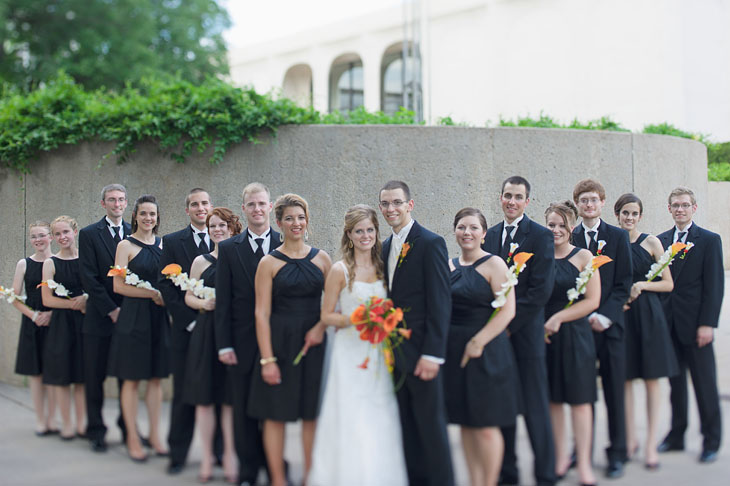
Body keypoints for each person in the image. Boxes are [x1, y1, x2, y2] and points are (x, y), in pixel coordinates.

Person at [309, 204, 408, 486]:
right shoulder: (340, 270)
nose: (365, 236)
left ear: (377, 232)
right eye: (358, 231)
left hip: (377, 351)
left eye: (370, 230)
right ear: (349, 235)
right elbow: (327, 315)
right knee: (351, 414)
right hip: (349, 352)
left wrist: (385, 320)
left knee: (379, 413)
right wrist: (359, 317)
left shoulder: (384, 266)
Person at [249, 193, 331, 486]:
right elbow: (261, 314)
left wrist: (320, 328)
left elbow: (331, 306)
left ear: (307, 221)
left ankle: (310, 475)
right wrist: (268, 359)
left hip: (314, 344)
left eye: (301, 217)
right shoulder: (268, 263)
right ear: (279, 222)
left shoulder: (322, 259)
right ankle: (278, 479)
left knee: (311, 414)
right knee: (275, 414)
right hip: (279, 343)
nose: (296, 223)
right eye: (289, 218)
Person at [482, 176, 557, 486]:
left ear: (528, 202)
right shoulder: (490, 235)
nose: (511, 201)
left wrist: (509, 325)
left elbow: (541, 291)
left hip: (526, 337)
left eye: (518, 197)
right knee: (503, 406)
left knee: (536, 408)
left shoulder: (540, 236)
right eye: (507, 195)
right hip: (498, 340)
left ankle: (545, 474)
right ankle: (507, 472)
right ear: (500, 198)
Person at [379, 180, 454, 486]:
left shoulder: (431, 242)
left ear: (410, 205)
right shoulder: (384, 247)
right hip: (394, 353)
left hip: (423, 351)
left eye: (397, 202)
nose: (390, 209)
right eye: (385, 204)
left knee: (431, 426)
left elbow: (440, 302)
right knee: (405, 425)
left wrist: (433, 353)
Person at [446, 207, 518, 486]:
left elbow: (508, 311)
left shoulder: (495, 264)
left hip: (487, 352)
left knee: (486, 427)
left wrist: (478, 341)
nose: (467, 233)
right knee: (466, 423)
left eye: (474, 228)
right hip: (455, 351)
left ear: (484, 234)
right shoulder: (448, 265)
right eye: (462, 227)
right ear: (455, 231)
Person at [216, 183, 282, 486]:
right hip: (241, 341)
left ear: (270, 207)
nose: (257, 209)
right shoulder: (230, 249)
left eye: (262, 204)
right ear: (244, 209)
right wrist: (224, 344)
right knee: (243, 409)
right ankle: (248, 471)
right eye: (251, 205)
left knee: (274, 408)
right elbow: (224, 301)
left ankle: (275, 468)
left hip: (279, 341)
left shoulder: (286, 242)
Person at [657, 187, 724, 464]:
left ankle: (711, 440)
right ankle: (676, 435)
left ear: (694, 208)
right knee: (676, 386)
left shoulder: (709, 240)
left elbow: (714, 286)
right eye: (676, 205)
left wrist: (707, 323)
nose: (680, 209)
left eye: (685, 205)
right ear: (669, 209)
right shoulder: (660, 241)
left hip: (697, 326)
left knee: (704, 385)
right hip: (669, 325)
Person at [571, 179, 632, 479]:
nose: (589, 204)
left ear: (603, 203)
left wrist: (605, 316)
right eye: (583, 200)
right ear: (577, 205)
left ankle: (617, 453)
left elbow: (624, 284)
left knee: (613, 393)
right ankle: (581, 451)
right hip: (578, 329)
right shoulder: (568, 236)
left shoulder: (618, 237)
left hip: (610, 327)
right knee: (582, 394)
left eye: (594, 199)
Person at [614, 193, 678, 470]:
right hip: (625, 317)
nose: (629, 218)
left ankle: (651, 443)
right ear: (617, 215)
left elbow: (668, 283)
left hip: (650, 316)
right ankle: (630, 440)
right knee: (625, 380)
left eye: (634, 213)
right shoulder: (613, 243)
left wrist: (642, 286)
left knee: (653, 380)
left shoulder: (652, 242)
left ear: (640, 216)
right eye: (625, 213)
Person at [157, 188, 215, 474]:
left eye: (204, 203)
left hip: (215, 329)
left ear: (211, 206)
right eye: (195, 204)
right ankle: (178, 454)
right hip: (185, 328)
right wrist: (188, 320)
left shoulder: (224, 237)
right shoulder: (171, 241)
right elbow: (166, 286)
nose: (200, 208)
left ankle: (217, 451)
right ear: (187, 210)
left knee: (216, 390)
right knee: (183, 392)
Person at [108, 195, 169, 462]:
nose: (148, 219)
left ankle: (155, 435)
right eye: (143, 214)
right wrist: (152, 294)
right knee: (131, 380)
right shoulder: (125, 245)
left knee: (156, 378)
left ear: (157, 217)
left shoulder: (164, 244)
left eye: (152, 214)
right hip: (134, 317)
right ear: (135, 216)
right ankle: (133, 437)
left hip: (158, 318)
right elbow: (118, 286)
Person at [544, 201, 600, 486]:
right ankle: (560, 457)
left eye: (562, 225)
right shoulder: (538, 257)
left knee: (579, 401)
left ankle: (585, 465)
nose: (556, 230)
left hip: (575, 335)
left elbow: (592, 300)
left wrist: (560, 318)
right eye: (551, 225)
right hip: (545, 336)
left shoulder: (584, 257)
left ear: (572, 227)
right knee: (554, 400)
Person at [184, 207, 241, 483]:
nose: (217, 230)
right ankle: (207, 456)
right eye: (212, 226)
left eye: (222, 225)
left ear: (232, 228)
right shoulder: (199, 262)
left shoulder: (240, 257)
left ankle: (230, 454)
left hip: (231, 332)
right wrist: (202, 303)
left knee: (229, 399)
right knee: (205, 400)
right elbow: (188, 297)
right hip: (206, 332)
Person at [78, 183, 132, 452]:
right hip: (100, 318)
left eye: (121, 200)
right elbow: (88, 277)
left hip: (130, 319)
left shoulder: (135, 233)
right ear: (103, 204)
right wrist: (111, 309)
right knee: (95, 377)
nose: (117, 204)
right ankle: (96, 430)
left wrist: (128, 311)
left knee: (127, 378)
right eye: (112, 200)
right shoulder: (89, 234)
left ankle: (128, 429)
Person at [41, 215, 87, 441]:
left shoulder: (86, 258)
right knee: (61, 376)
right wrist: (73, 303)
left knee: (81, 376)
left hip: (84, 323)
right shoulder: (51, 263)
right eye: (57, 234)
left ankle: (81, 424)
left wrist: (86, 300)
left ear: (75, 232)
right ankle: (66, 424)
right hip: (61, 324)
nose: (62, 237)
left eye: (66, 232)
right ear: (52, 237)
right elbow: (47, 300)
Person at [12, 221, 57, 436]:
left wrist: (52, 315)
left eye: (42, 235)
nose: (38, 240)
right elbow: (14, 297)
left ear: (51, 237)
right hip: (33, 322)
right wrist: (34, 315)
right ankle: (41, 420)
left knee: (54, 372)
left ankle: (53, 419)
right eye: (33, 236)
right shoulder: (24, 264)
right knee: (36, 374)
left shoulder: (59, 261)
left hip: (57, 321)